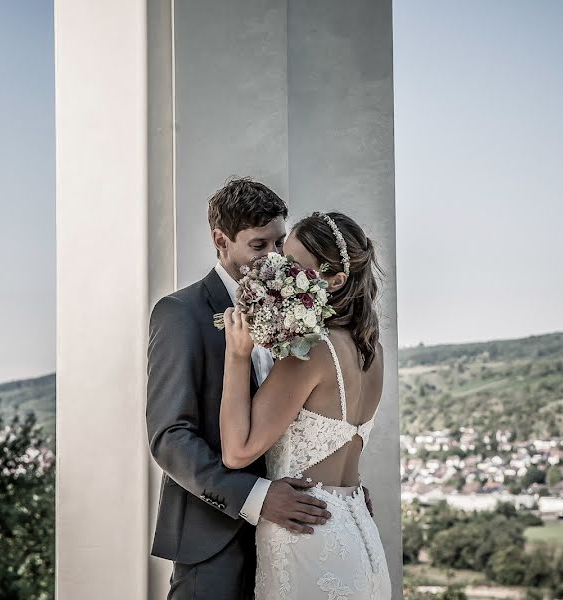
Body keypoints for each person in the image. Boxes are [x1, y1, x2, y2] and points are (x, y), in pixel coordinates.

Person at [146, 179, 373, 600]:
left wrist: (343, 497)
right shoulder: (181, 314)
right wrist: (257, 497)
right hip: (214, 541)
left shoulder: (308, 316)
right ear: (221, 240)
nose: (273, 259)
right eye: (258, 246)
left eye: (279, 243)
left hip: (298, 540)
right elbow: (169, 437)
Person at [220, 211, 391, 599]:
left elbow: (237, 450)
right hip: (360, 538)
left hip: (308, 544)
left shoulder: (312, 350)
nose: (279, 275)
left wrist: (238, 355)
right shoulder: (373, 351)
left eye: (295, 268)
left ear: (335, 280)